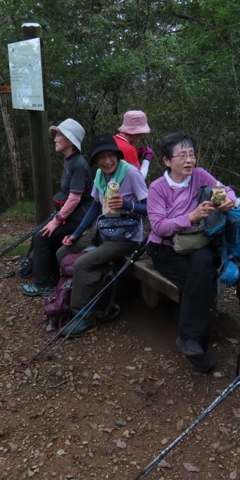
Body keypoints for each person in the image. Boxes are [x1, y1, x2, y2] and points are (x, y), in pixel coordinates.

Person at [147, 132, 236, 372]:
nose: (189, 160)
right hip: (164, 248)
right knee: (199, 280)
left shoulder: (199, 175)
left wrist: (228, 199)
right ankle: (194, 342)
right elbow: (159, 227)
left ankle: (190, 340)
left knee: (203, 265)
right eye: (182, 155)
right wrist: (191, 216)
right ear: (167, 161)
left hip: (194, 243)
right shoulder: (157, 188)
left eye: (192, 154)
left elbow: (225, 189)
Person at [55, 134, 149, 336]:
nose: (107, 161)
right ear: (96, 161)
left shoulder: (132, 174)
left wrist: (128, 205)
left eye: (110, 155)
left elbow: (151, 208)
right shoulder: (100, 175)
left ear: (117, 155)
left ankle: (83, 315)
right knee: (63, 252)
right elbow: (95, 207)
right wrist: (76, 233)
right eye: (101, 157)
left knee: (82, 264)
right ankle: (68, 293)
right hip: (104, 230)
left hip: (127, 237)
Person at [22, 119, 93, 297]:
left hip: (80, 216)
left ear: (70, 140)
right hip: (73, 214)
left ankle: (43, 284)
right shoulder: (69, 160)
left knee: (41, 236)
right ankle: (50, 276)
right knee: (40, 233)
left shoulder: (77, 164)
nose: (55, 138)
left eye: (59, 135)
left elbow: (74, 198)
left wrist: (56, 220)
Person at [113, 110, 155, 180]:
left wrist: (136, 156)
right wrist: (147, 159)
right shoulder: (129, 150)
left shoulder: (112, 140)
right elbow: (138, 179)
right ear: (137, 133)